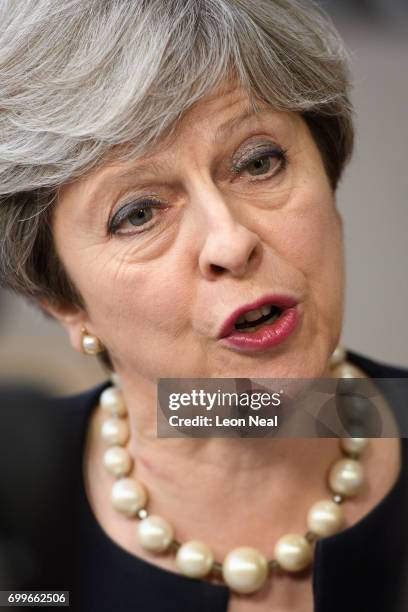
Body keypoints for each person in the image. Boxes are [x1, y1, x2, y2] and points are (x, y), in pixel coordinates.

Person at [0, 1, 407, 610]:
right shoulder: (22, 522)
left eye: (258, 162)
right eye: (137, 214)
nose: (231, 241)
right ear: (64, 302)